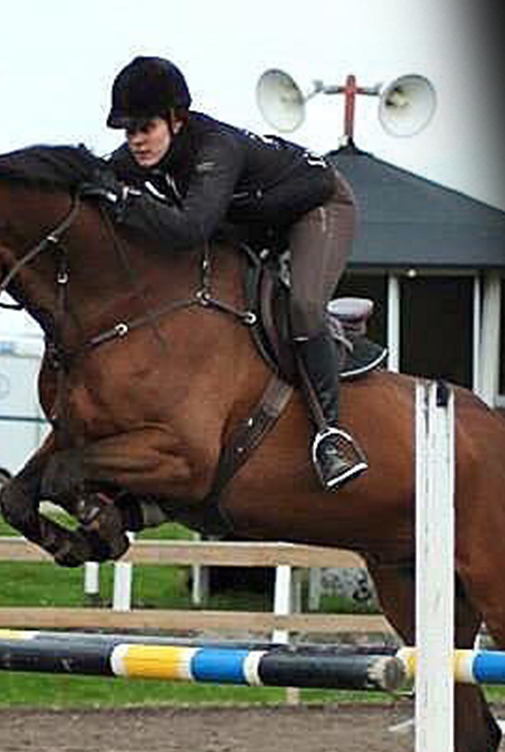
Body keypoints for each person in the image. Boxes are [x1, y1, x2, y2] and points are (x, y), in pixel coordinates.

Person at [95, 55, 368, 490]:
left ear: (176, 120)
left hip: (318, 206)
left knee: (302, 306)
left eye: (146, 128)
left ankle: (332, 435)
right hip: (258, 221)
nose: (137, 142)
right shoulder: (141, 155)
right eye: (129, 132)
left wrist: (126, 202)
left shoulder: (215, 149)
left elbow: (191, 229)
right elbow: (93, 177)